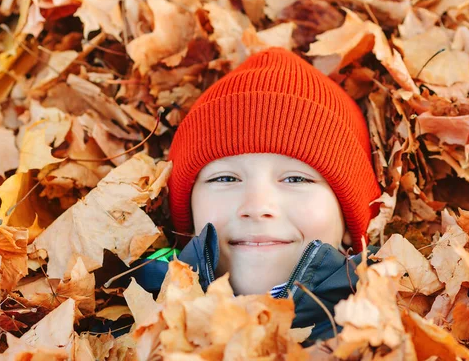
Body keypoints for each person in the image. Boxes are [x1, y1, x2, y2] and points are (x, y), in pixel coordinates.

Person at [132, 47, 382, 346]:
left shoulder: (395, 331)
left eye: (296, 178)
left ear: (348, 217)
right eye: (225, 178)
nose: (257, 206)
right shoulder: (127, 318)